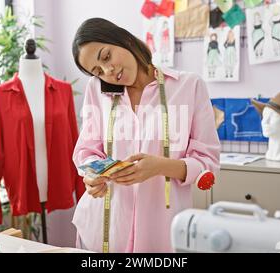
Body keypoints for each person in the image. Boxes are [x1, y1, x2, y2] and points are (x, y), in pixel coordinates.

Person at [71, 17, 220, 252]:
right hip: (104, 228)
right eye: (97, 71)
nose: (108, 71)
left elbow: (208, 165)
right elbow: (86, 151)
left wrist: (160, 166)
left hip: (161, 231)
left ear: (125, 39)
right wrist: (91, 177)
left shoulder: (189, 86)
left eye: (106, 56)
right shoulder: (96, 90)